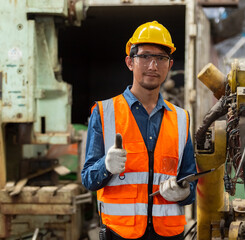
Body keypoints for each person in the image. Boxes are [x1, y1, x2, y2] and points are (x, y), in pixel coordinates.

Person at [81, 21, 197, 240]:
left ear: (170, 65)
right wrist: (106, 166)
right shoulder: (105, 112)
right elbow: (88, 178)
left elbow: (190, 179)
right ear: (129, 62)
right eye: (144, 56)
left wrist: (185, 193)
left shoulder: (181, 118)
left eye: (161, 58)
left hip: (169, 234)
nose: (153, 65)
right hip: (120, 233)